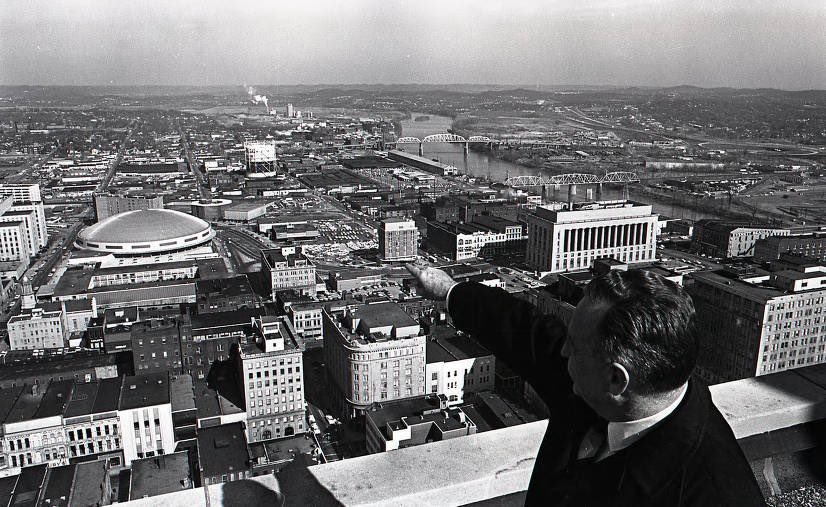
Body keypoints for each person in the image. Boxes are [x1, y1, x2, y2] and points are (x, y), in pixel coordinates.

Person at [407, 263, 764, 506]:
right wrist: (451, 291)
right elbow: (524, 329)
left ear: (616, 379)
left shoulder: (713, 491)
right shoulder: (600, 381)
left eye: (574, 346)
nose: (562, 350)